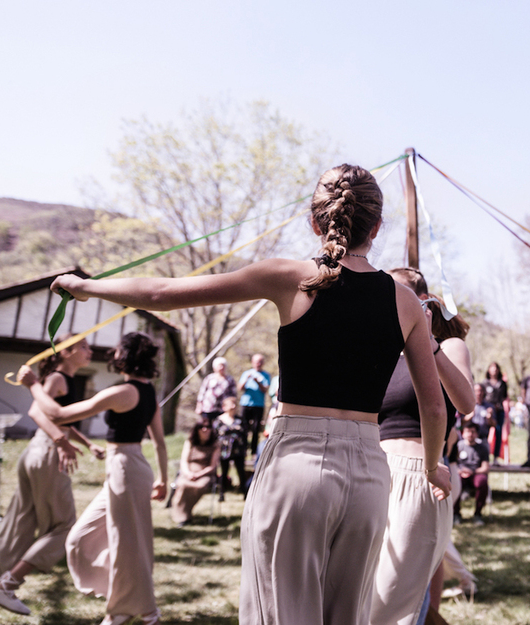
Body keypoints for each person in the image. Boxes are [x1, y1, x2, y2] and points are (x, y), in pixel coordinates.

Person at [44, 163, 450, 625]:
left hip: (297, 465)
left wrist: (85, 286)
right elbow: (434, 407)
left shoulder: (288, 275)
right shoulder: (405, 300)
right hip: (371, 478)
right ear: (376, 227)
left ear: (314, 222)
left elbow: (161, 293)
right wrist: (431, 468)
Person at [17, 332, 168, 625]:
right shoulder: (146, 391)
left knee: (128, 544)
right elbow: (160, 444)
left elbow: (58, 414)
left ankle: (143, 612)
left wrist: (33, 384)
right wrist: (161, 478)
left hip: (127, 468)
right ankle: (124, 599)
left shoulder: (123, 392)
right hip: (126, 468)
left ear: (125, 356)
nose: (113, 353)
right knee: (79, 537)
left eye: (118, 349)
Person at [0, 336, 104, 625]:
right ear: (66, 352)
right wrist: (61, 442)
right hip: (47, 453)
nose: (90, 351)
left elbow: (62, 419)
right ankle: (8, 585)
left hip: (39, 452)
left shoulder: (66, 380)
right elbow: (37, 412)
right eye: (84, 346)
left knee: (17, 531)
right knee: (64, 527)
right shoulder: (57, 378)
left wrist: (87, 443)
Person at [370, 269, 474, 625]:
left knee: (390, 601)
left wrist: (428, 343)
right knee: (366, 593)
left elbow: (465, 402)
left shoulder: (449, 346)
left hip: (421, 475)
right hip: (372, 473)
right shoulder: (381, 350)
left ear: (423, 301)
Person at [170, 416, 221, 527]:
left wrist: (198, 474)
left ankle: (185, 513)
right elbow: (184, 461)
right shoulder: (190, 442)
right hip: (188, 472)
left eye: (208, 427)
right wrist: (188, 473)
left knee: (199, 486)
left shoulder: (215, 445)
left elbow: (212, 466)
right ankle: (182, 516)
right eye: (202, 427)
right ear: (197, 429)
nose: (205, 430)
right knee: (182, 485)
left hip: (205, 474)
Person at [454, 422, 490, 525]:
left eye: (473, 432)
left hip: (476, 474)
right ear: (463, 433)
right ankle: (456, 514)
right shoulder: (458, 446)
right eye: (468, 431)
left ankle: (478, 514)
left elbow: (485, 468)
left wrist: (472, 472)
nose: (470, 434)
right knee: (454, 481)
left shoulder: (482, 448)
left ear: (477, 434)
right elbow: (453, 464)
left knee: (482, 482)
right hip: (460, 474)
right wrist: (460, 471)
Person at [237, 354, 271, 455]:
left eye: (260, 362)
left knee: (256, 429)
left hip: (258, 405)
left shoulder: (265, 375)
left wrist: (257, 382)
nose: (258, 364)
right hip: (246, 404)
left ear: (263, 363)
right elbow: (240, 388)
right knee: (244, 427)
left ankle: (253, 451)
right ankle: (242, 449)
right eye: (256, 362)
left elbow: (265, 390)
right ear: (252, 362)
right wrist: (247, 379)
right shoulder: (246, 373)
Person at [215, 396, 248, 499]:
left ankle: (245, 493)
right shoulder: (219, 420)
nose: (233, 406)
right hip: (224, 451)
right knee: (224, 472)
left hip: (238, 450)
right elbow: (215, 436)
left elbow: (245, 435)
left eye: (235, 404)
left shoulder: (240, 420)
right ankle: (221, 493)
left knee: (241, 472)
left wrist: (245, 449)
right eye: (231, 404)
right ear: (224, 406)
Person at [482, 362, 510, 463]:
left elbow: (504, 396)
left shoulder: (502, 383)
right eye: (492, 368)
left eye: (496, 368)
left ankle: (495, 457)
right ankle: (483, 456)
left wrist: (498, 406)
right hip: (488, 410)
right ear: (489, 370)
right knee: (484, 432)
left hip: (499, 411)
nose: (494, 370)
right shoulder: (485, 383)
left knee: (498, 433)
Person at [195, 357, 236, 421]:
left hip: (223, 408)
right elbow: (202, 392)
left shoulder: (230, 379)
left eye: (223, 366)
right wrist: (199, 406)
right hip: (208, 407)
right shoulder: (209, 378)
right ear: (214, 367)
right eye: (219, 366)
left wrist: (231, 406)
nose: (221, 368)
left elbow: (233, 395)